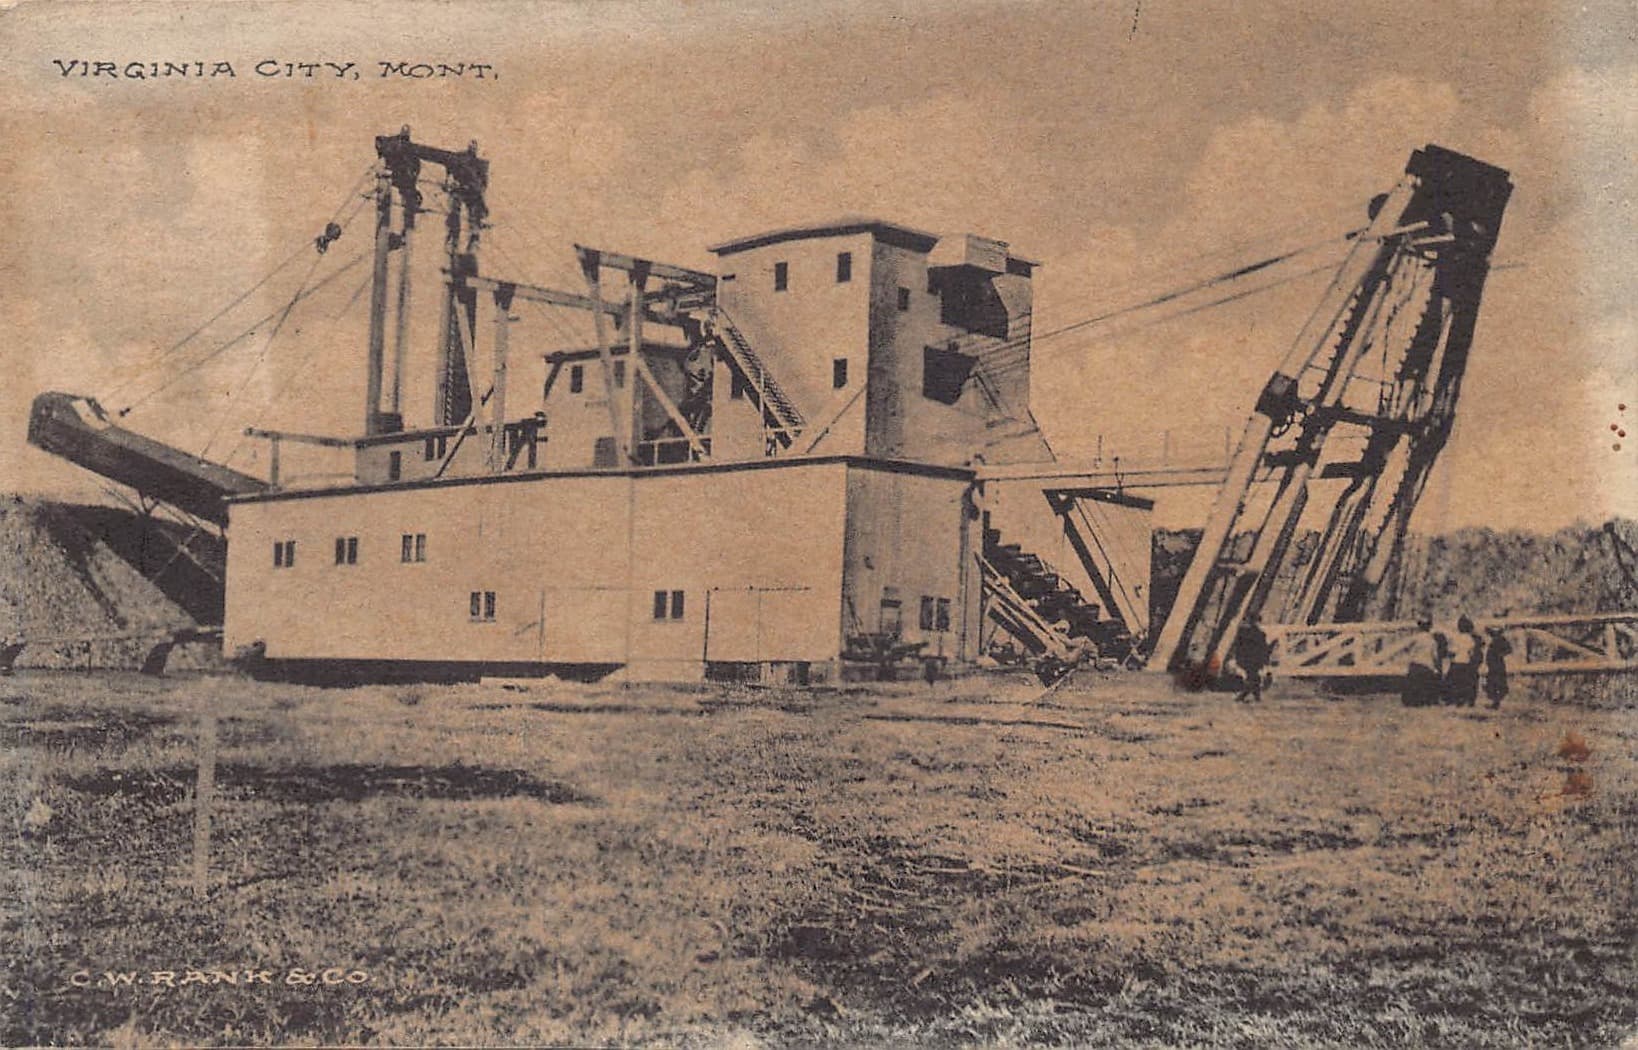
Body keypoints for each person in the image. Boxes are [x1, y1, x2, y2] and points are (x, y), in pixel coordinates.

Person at [1446, 615, 1485, 707]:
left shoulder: (1456, 638)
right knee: (1468, 683)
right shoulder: (1472, 638)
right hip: (1468, 663)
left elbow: (1452, 651)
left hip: (1457, 663)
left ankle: (1457, 700)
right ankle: (1470, 700)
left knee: (1456, 683)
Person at [1231, 614, 1271, 703]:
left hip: (1245, 659)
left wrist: (1237, 658)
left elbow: (1237, 647)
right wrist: (1265, 661)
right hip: (1255, 660)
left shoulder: (1242, 632)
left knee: (1253, 677)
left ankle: (1252, 697)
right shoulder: (1260, 634)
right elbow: (1263, 648)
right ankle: (1246, 696)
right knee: (1254, 678)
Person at [1402, 619, 1442, 707]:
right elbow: (1435, 655)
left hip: (1415, 664)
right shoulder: (1432, 640)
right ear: (1429, 627)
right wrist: (1436, 668)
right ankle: (1425, 700)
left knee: (1413, 684)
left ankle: (1411, 701)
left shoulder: (1415, 638)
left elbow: (1406, 648)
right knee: (1426, 683)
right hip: (1426, 665)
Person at [1484, 626, 1512, 708]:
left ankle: (1496, 702)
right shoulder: (1493, 640)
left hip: (1497, 664)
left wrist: (1500, 655)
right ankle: (1494, 702)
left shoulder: (1501, 640)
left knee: (1497, 683)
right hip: (1492, 665)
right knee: (1493, 682)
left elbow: (1509, 650)